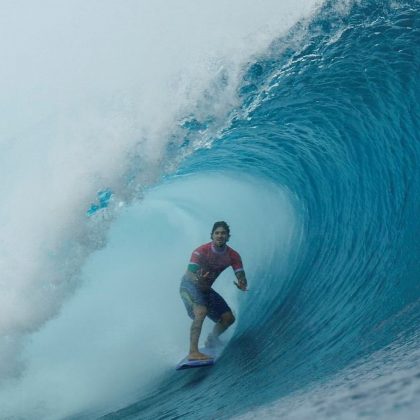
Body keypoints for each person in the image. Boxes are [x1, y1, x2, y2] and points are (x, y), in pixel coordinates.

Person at [180, 221, 248, 361]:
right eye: (217, 233)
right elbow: (189, 274)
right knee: (201, 311)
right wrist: (197, 278)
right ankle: (193, 352)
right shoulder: (201, 251)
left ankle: (212, 339)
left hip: (205, 290)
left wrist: (242, 283)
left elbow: (241, 275)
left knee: (228, 318)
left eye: (223, 233)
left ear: (228, 237)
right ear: (211, 235)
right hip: (188, 286)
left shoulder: (233, 255)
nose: (220, 235)